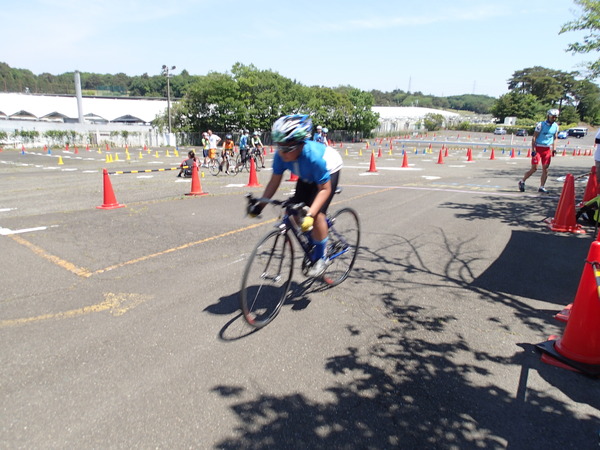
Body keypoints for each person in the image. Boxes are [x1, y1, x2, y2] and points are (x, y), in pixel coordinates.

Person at [247, 114, 343, 278]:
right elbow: (274, 182)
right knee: (291, 210)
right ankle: (314, 238)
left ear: (300, 144)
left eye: (287, 148)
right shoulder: (281, 155)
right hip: (306, 175)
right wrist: (260, 205)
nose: (282, 153)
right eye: (279, 146)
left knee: (318, 214)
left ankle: (321, 257)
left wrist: (311, 214)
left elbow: (324, 190)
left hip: (328, 170)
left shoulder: (314, 158)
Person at [518, 109, 560, 193]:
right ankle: (522, 181)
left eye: (555, 117)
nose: (554, 119)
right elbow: (534, 137)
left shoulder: (556, 126)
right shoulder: (541, 125)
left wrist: (554, 149)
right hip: (538, 148)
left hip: (547, 149)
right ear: (548, 116)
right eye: (552, 117)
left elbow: (555, 138)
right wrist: (533, 149)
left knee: (546, 168)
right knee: (534, 168)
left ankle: (542, 186)